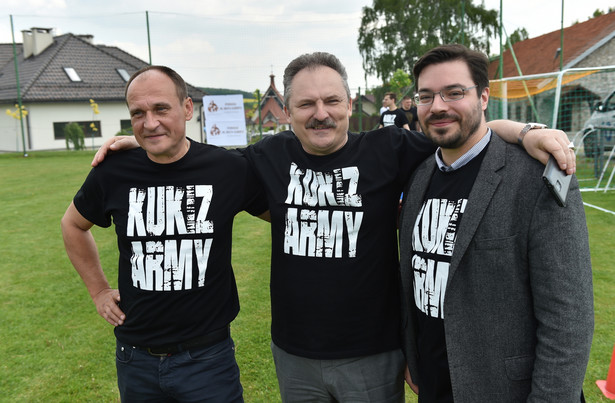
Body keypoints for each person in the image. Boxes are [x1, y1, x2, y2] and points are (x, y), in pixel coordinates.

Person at [92, 52, 576, 403]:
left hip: (373, 352)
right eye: (305, 104)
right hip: (294, 352)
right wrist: (142, 142)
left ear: (349, 103)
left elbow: (460, 128)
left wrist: (528, 132)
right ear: (288, 111)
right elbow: (191, 162)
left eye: (331, 101)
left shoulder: (390, 150)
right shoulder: (265, 158)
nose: (319, 113)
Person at [398, 44, 593, 402]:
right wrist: (414, 355)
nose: (438, 106)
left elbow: (569, 321)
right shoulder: (419, 175)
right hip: (437, 385)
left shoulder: (537, 177)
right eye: (426, 96)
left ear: (484, 96)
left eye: (455, 92)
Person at [61, 65, 268, 402]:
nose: (150, 122)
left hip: (207, 359)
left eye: (161, 108)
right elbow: (72, 224)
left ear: (187, 108)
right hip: (135, 358)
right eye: (138, 113)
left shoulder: (227, 169)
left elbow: (285, 214)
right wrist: (98, 290)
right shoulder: (113, 171)